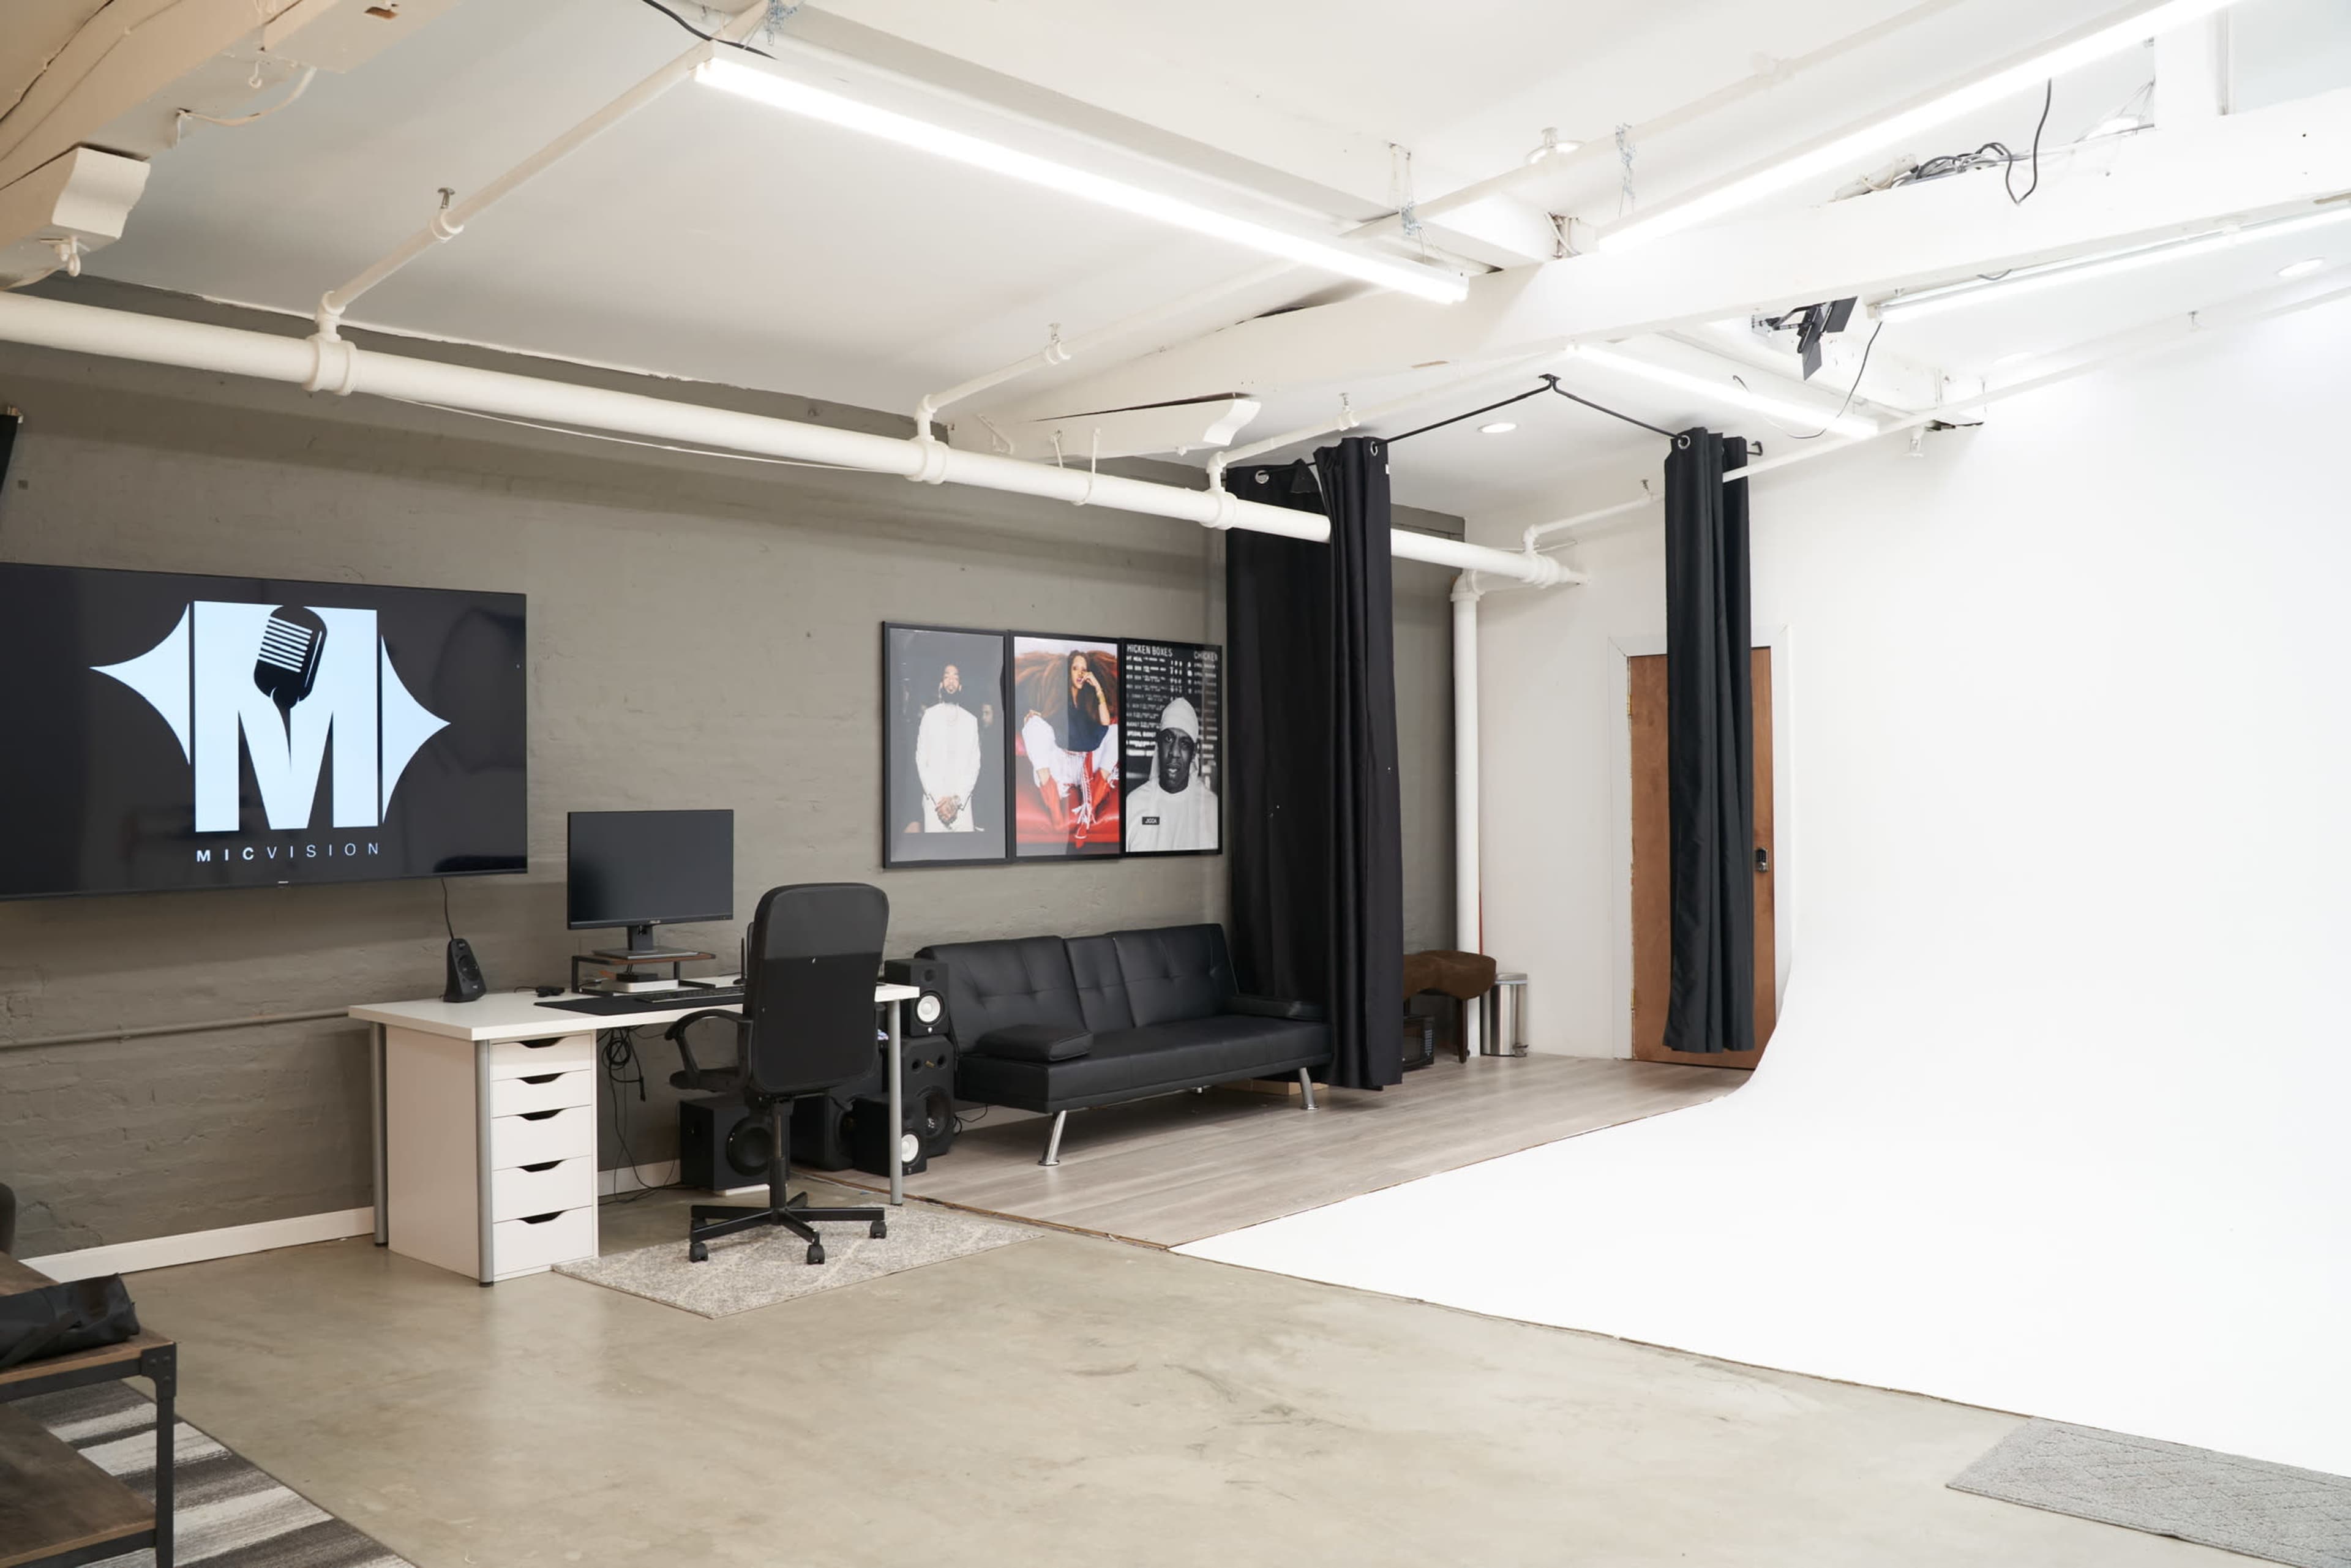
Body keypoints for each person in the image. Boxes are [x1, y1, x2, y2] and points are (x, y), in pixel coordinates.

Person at [1124, 697, 1217, 852]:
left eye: (1184, 744)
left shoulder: (1212, 808)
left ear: (1194, 752)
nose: (1175, 753)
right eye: (1168, 739)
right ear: (1158, 742)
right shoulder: (1133, 804)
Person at [915, 662, 982, 832]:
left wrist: (956, 800)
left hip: (962, 807)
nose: (951, 681)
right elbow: (921, 760)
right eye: (947, 676)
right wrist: (940, 800)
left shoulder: (971, 721)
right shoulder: (929, 717)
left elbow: (974, 765)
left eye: (955, 677)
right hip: (934, 805)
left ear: (960, 686)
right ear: (941, 685)